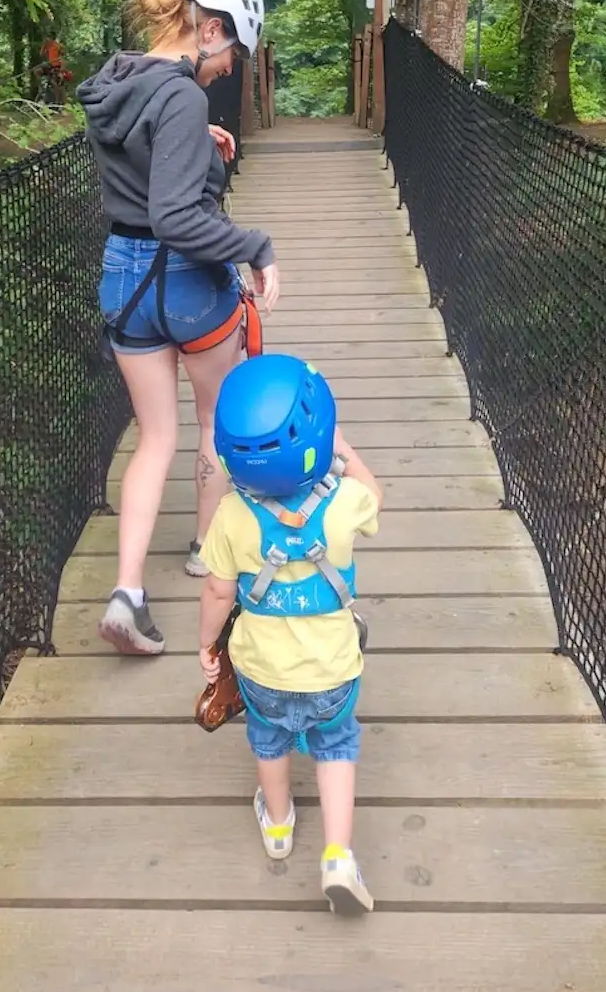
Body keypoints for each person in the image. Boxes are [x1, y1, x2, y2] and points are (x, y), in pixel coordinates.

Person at [77, 0, 280, 656]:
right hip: (188, 284)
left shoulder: (116, 80)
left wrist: (199, 143)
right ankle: (206, 551)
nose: (230, 71)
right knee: (214, 423)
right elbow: (176, 217)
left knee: (152, 436)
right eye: (235, 54)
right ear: (214, 30)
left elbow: (144, 163)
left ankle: (127, 592)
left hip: (124, 282)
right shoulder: (185, 94)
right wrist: (256, 245)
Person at [198, 354, 383, 915]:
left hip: (260, 671)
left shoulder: (231, 515)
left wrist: (208, 647)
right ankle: (337, 855)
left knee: (270, 739)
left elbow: (216, 594)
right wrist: (345, 451)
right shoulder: (345, 502)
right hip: (333, 670)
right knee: (336, 744)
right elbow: (375, 495)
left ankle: (278, 825)